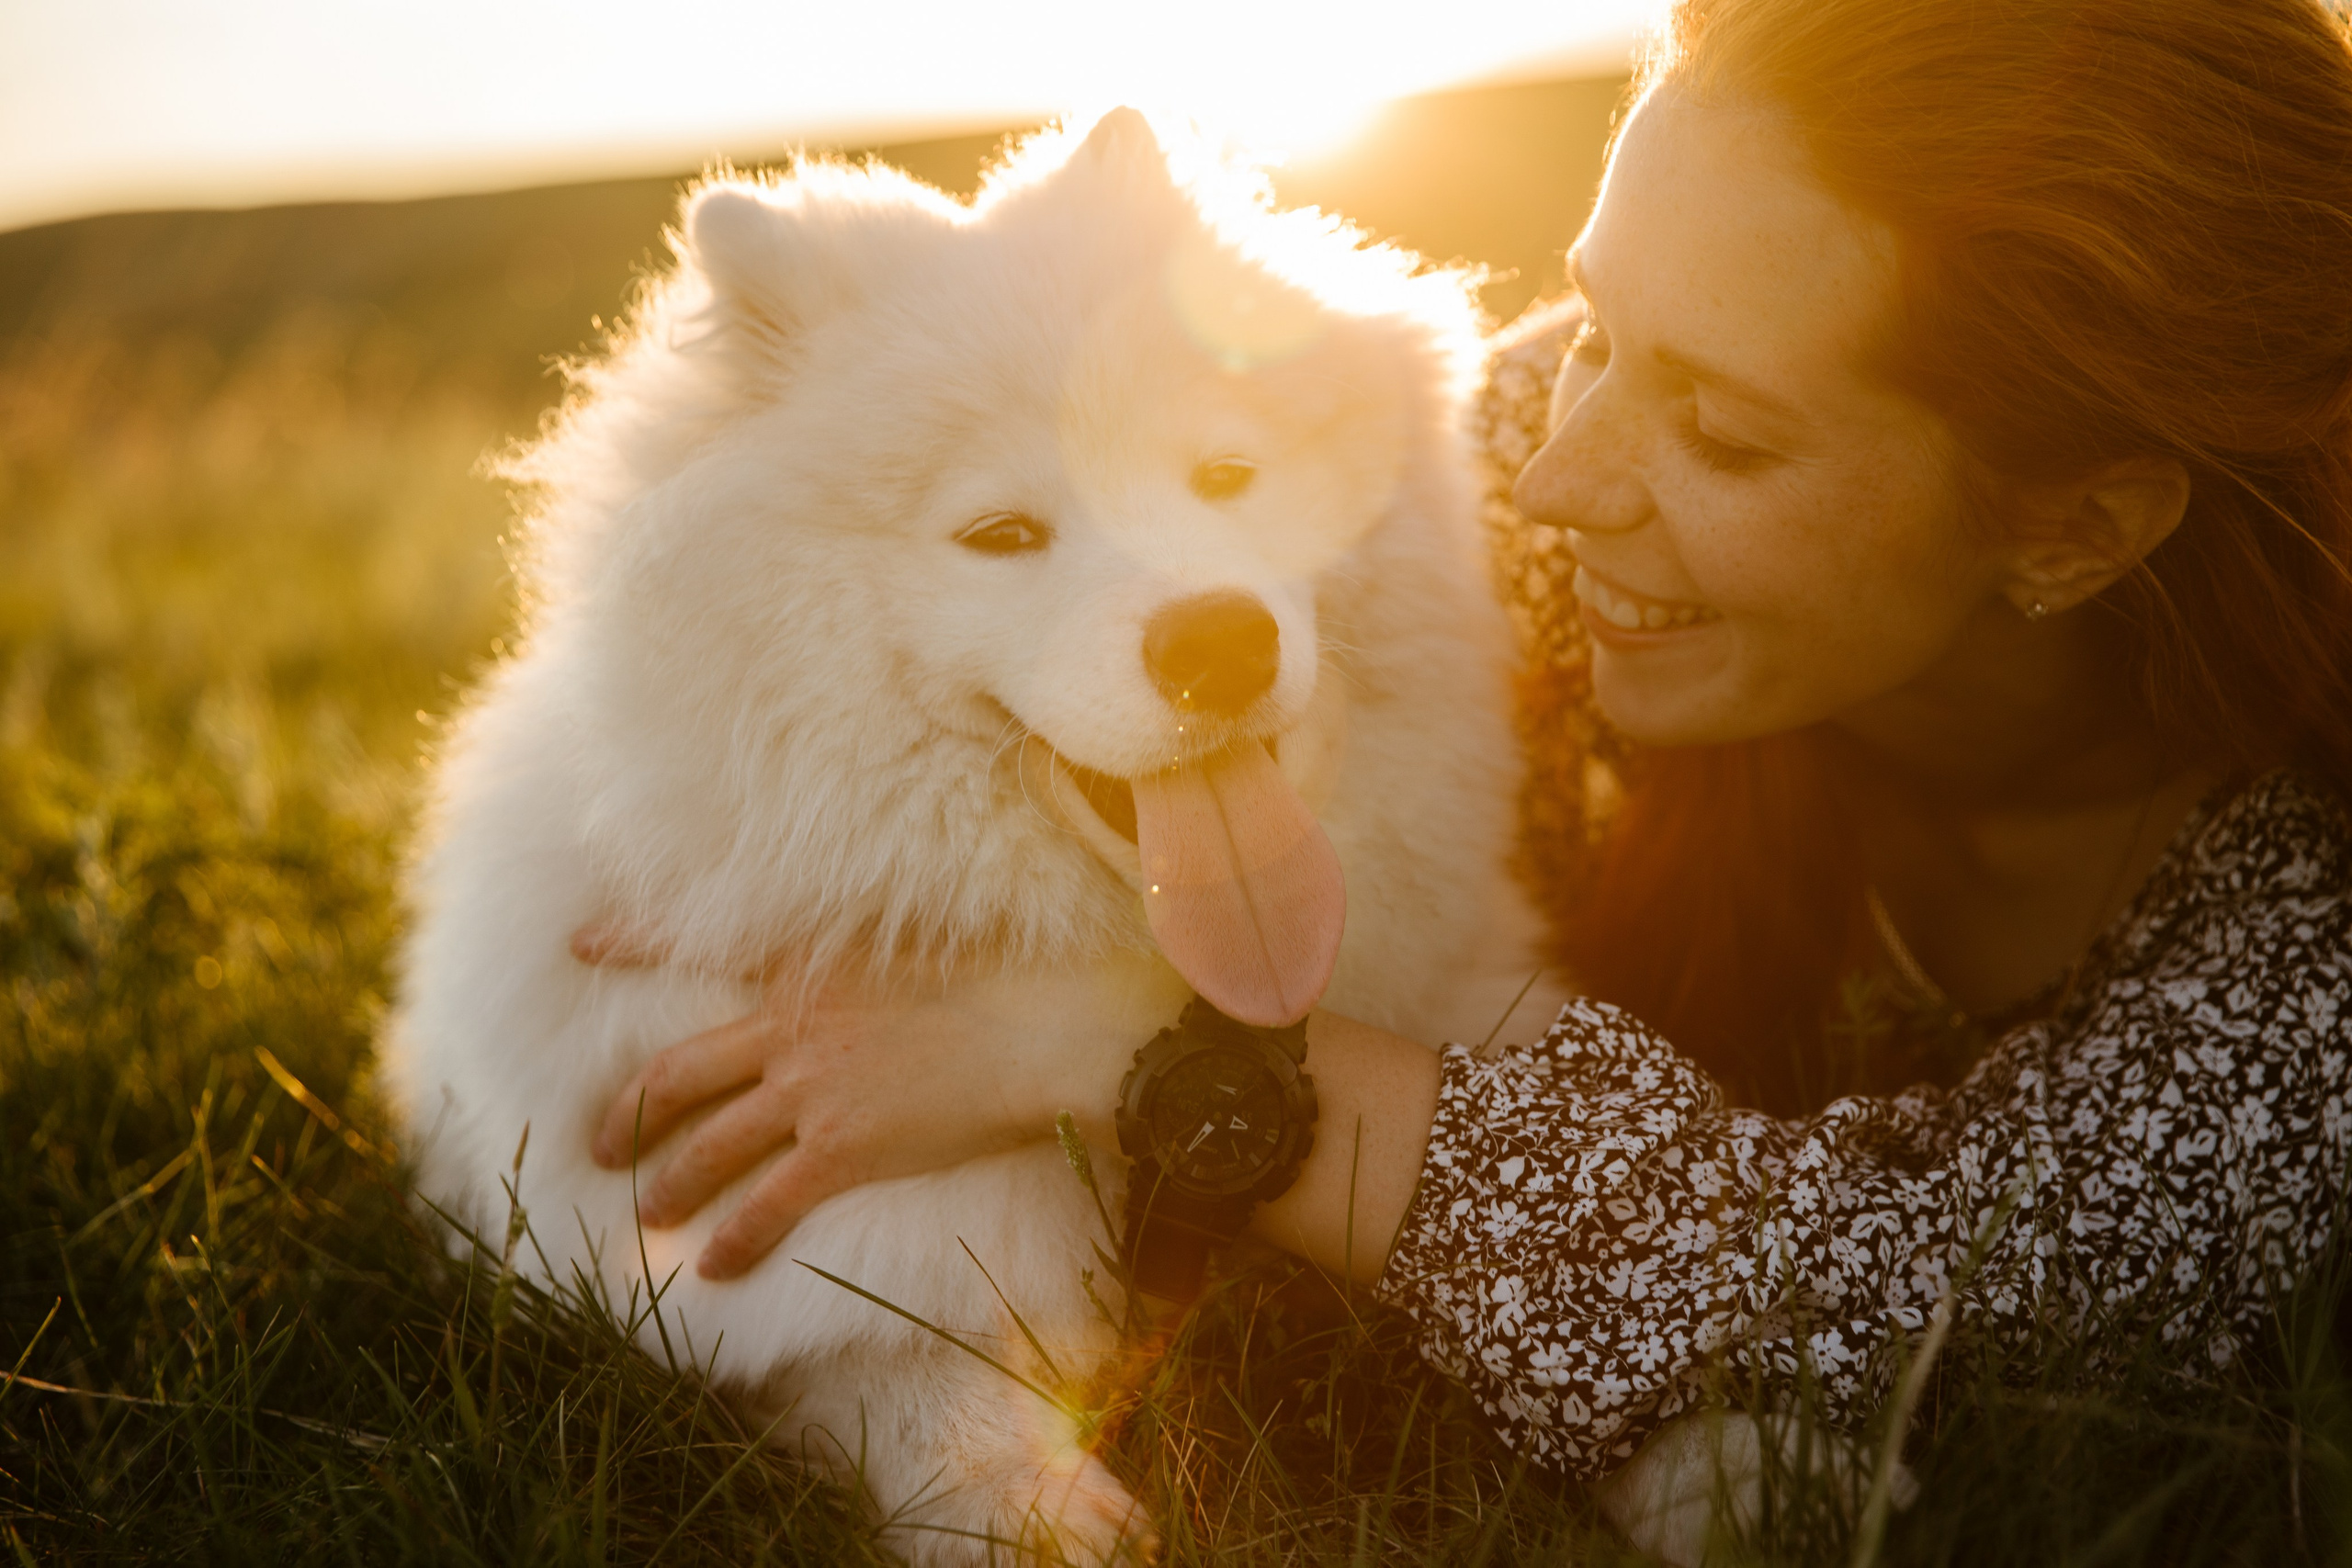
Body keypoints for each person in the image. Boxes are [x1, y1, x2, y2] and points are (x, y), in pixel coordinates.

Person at [578, 0, 2352, 1543]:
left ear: (2076, 527)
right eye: (1593, 329)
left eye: (1721, 432)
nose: (1555, 471)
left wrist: (1113, 1052)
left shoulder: (2308, 950)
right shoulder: (1508, 469)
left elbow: (1931, 1297)